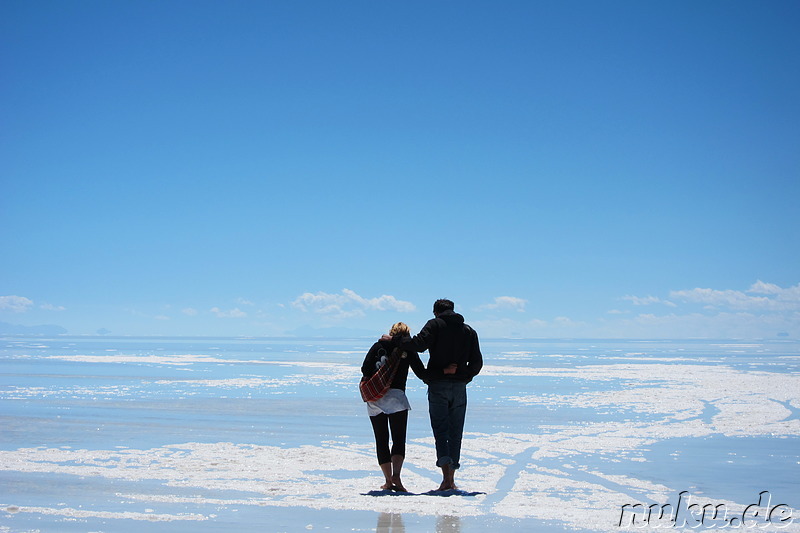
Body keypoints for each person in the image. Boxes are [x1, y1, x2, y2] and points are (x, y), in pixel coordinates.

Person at [382, 299, 483, 491]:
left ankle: (446, 479)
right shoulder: (468, 331)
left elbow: (418, 345)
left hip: (438, 386)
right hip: (460, 388)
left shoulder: (435, 325)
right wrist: (462, 375)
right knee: (456, 432)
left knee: (441, 430)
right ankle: (450, 480)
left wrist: (395, 340)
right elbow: (477, 363)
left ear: (436, 312)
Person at [361, 322, 426, 492]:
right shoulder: (408, 349)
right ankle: (396, 475)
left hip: (376, 400)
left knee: (381, 439)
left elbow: (365, 368)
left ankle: (388, 480)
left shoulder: (378, 346)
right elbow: (420, 372)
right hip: (397, 397)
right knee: (398, 439)